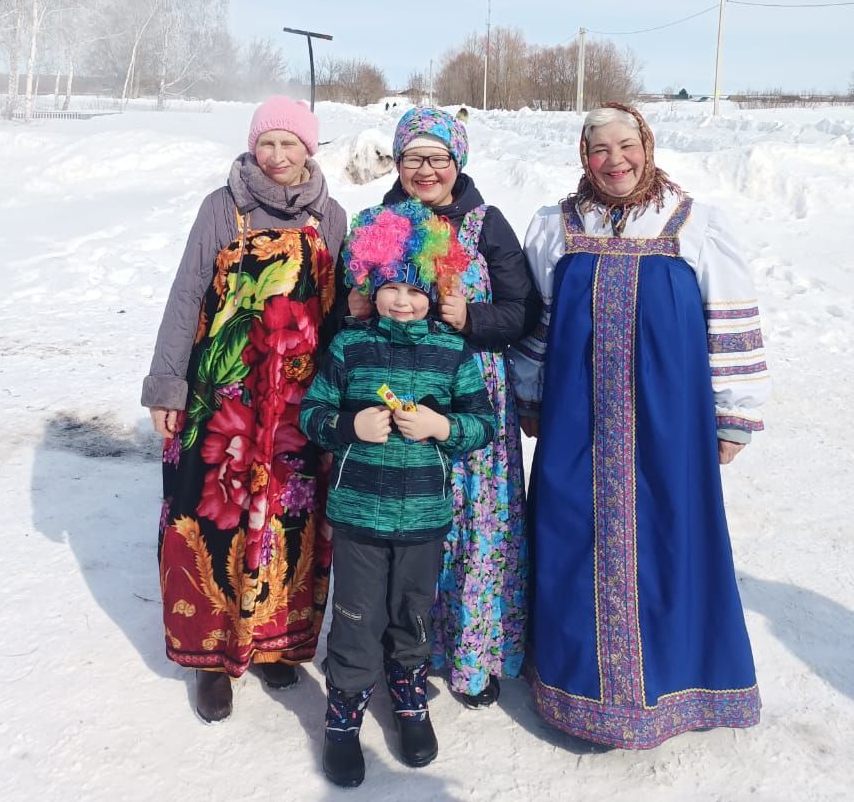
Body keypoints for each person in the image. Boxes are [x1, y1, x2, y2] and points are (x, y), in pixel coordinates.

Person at [511, 102, 770, 749]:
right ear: (583, 156)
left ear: (647, 147)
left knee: (672, 544)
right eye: (599, 149)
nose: (614, 160)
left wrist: (732, 415)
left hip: (669, 429)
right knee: (572, 540)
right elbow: (537, 323)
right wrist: (528, 394)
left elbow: (731, 323)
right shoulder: (557, 226)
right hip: (577, 425)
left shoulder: (694, 224)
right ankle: (575, 687)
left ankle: (675, 685)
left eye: (626, 145)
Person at [142, 96, 347, 722]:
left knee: (290, 523)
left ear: (309, 149)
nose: (279, 157)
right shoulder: (222, 207)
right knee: (211, 522)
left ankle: (273, 645)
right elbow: (186, 294)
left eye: (291, 144)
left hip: (295, 405)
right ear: (253, 147)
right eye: (268, 144)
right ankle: (210, 660)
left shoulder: (330, 216)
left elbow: (338, 314)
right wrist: (165, 385)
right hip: (223, 400)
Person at [301, 200, 495, 787]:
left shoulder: (451, 351)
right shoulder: (348, 347)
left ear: (435, 289)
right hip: (359, 515)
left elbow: (481, 422)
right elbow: (312, 412)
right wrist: (346, 427)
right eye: (390, 287)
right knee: (357, 618)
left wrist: (443, 429)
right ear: (370, 283)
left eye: (415, 289)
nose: (403, 301)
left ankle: (410, 695)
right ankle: (343, 712)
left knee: (412, 613)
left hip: (424, 519)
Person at [350, 106, 539, 706]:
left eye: (438, 158)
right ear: (397, 163)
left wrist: (473, 318)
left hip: (469, 394)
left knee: (475, 525)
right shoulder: (379, 221)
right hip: (396, 394)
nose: (425, 170)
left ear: (458, 162)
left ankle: (471, 652)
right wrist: (352, 306)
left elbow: (525, 310)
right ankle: (399, 652)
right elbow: (348, 308)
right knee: (400, 525)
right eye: (412, 158)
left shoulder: (487, 225)